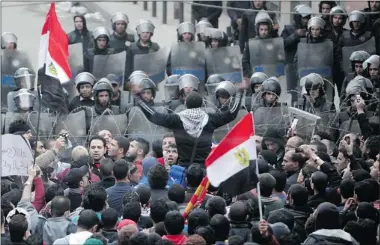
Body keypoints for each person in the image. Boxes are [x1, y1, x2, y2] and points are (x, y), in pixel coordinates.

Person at [133, 83, 245, 168]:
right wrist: (239, 93)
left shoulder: (176, 119)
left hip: (183, 168)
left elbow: (154, 116)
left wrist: (139, 99)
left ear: (185, 104)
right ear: (201, 104)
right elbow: (232, 113)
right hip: (204, 170)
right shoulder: (211, 119)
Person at [242, 10, 275, 79]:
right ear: (257, 29)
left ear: (269, 30)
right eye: (261, 29)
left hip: (270, 76)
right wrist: (250, 75)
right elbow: (245, 61)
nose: (263, 32)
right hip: (255, 77)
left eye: (265, 30)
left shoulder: (273, 43)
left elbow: (278, 61)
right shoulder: (251, 44)